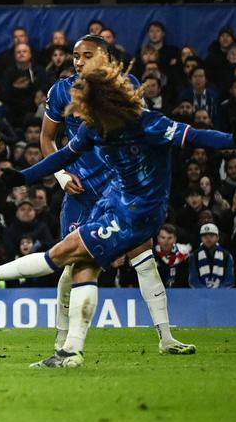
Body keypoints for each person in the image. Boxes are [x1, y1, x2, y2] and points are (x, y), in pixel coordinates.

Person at [0, 60, 236, 367]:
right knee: (81, 265)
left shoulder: (147, 123)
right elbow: (63, 155)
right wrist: (25, 176)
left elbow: (195, 135)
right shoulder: (93, 128)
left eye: (83, 102)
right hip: (115, 203)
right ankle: (70, 349)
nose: (77, 110)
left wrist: (235, 140)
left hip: (134, 212)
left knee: (64, 255)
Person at [41, 35, 195, 354]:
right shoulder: (60, 91)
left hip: (120, 191)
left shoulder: (128, 85)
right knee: (71, 266)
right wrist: (60, 175)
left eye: (87, 55)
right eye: (75, 56)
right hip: (82, 191)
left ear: (106, 57)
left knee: (144, 258)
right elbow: (47, 138)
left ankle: (166, 338)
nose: (79, 61)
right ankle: (61, 339)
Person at [189, 223, 233, 288]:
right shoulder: (194, 255)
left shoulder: (226, 255)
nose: (208, 238)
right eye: (204, 236)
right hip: (200, 292)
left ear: (217, 237)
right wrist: (204, 291)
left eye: (211, 235)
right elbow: (193, 279)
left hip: (222, 292)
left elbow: (229, 279)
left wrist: (220, 291)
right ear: (201, 238)